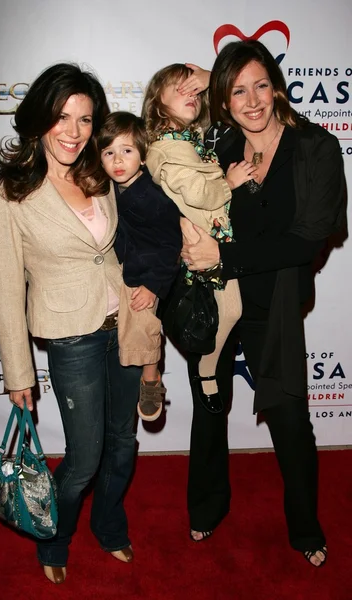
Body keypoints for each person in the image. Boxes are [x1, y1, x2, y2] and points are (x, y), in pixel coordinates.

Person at [179, 40, 345, 565]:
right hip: (215, 300)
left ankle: (305, 529)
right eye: (237, 91)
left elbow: (309, 237)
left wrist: (224, 255)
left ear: (276, 86)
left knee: (290, 417)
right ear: (223, 101)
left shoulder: (315, 146)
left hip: (273, 302)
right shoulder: (219, 148)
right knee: (210, 409)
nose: (252, 101)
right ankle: (206, 509)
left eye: (261, 85)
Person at [0, 63, 142, 585]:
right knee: (84, 456)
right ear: (40, 119)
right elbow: (7, 287)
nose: (73, 132)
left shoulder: (101, 172)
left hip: (123, 322)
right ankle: (54, 536)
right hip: (70, 335)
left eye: (84, 119)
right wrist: (18, 373)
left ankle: (110, 524)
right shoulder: (8, 193)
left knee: (124, 441)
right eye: (62, 117)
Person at [142, 64, 255, 414]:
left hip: (214, 236)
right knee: (226, 309)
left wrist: (215, 76)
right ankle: (205, 370)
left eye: (195, 91)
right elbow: (196, 193)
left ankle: (204, 368)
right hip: (200, 239)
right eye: (179, 89)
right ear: (157, 100)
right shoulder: (164, 146)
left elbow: (238, 103)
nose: (191, 94)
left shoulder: (190, 138)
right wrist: (230, 182)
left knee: (230, 309)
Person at [98, 111, 182, 421]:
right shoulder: (109, 189)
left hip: (149, 273)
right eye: (109, 153)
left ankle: (151, 379)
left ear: (143, 157)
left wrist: (154, 286)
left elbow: (172, 244)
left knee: (145, 323)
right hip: (126, 267)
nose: (118, 160)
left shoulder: (152, 196)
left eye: (127, 151)